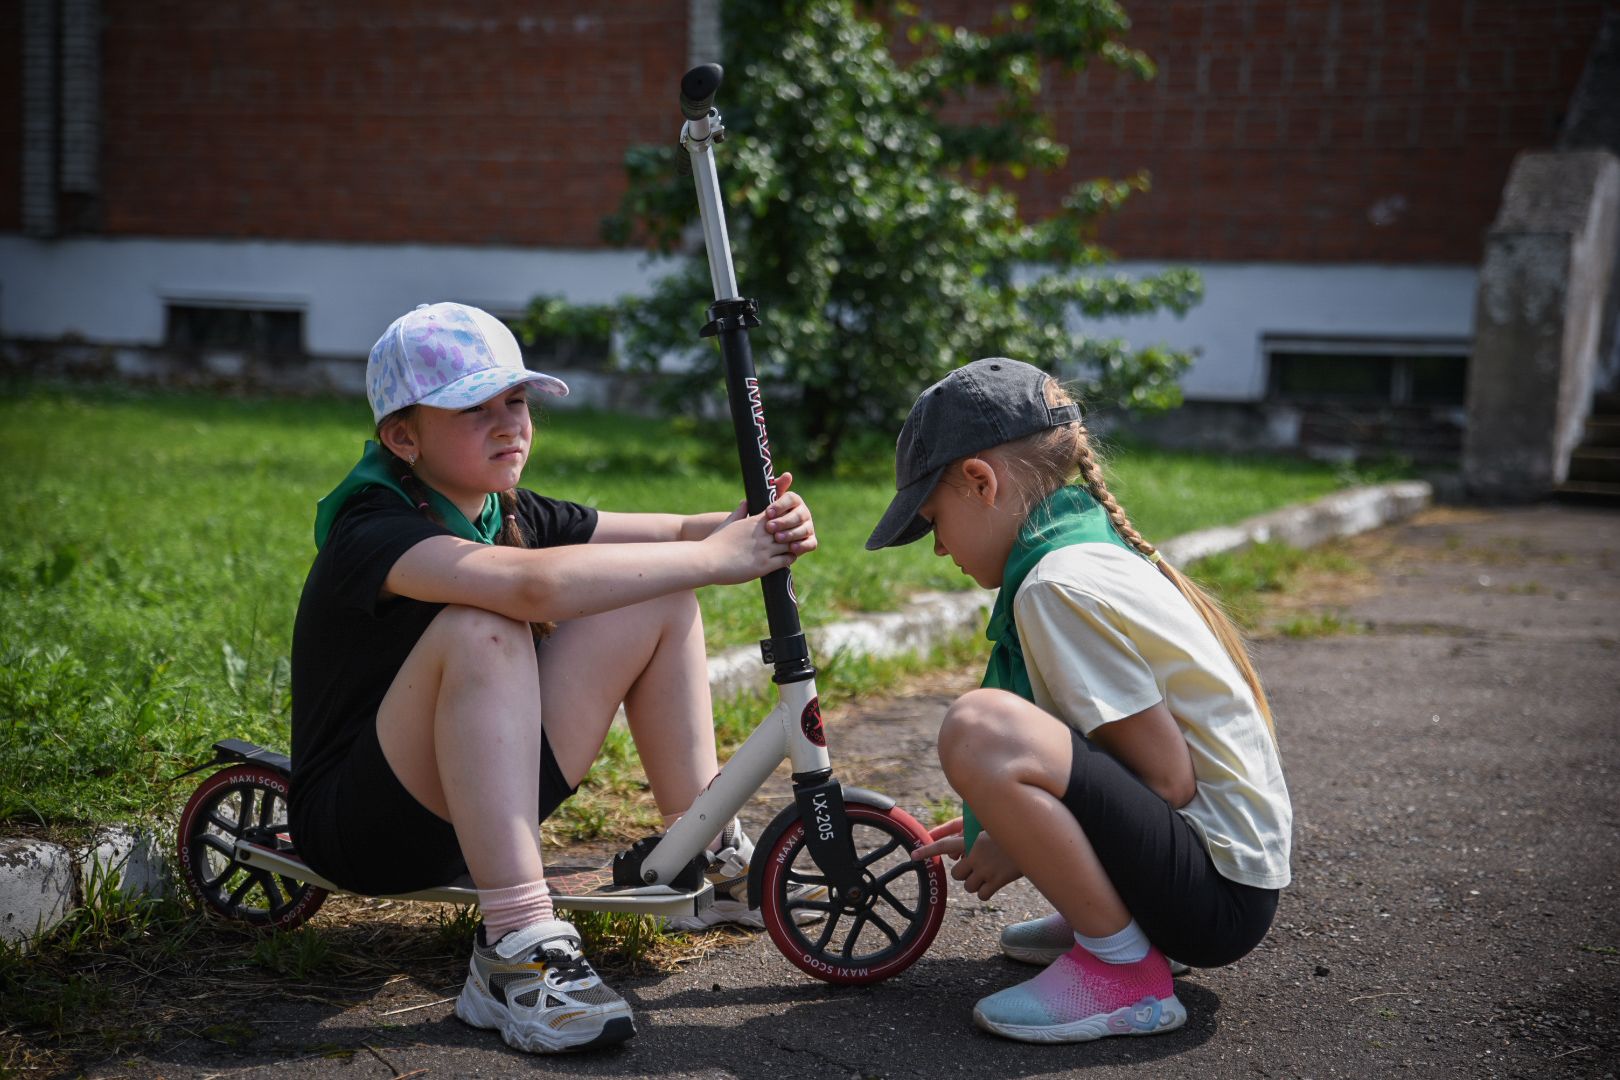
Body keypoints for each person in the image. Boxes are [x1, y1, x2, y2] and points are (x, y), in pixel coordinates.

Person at [288, 302, 818, 1054]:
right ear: (402, 437)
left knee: (659, 588)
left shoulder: (503, 507)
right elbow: (531, 591)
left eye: (517, 401)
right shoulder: (369, 527)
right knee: (484, 618)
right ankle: (512, 949)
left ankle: (701, 846)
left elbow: (669, 534)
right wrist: (722, 557)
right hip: (366, 828)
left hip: (481, 807)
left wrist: (754, 524)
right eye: (476, 408)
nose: (510, 424)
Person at [868, 358, 1291, 1044]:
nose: (940, 548)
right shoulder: (1082, 551)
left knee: (978, 728)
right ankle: (1121, 921)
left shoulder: (1054, 587)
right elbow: (1089, 755)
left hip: (1216, 899)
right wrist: (1011, 820)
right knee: (999, 737)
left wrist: (1016, 838)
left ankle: (1122, 971)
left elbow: (1165, 777)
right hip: (1217, 879)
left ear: (980, 482)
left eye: (933, 520)